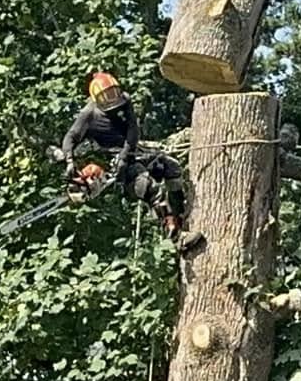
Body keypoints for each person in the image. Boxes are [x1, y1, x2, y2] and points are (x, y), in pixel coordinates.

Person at [56, 71, 199, 250]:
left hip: (130, 152)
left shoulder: (125, 101)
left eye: (114, 93)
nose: (112, 99)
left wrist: (125, 155)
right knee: (147, 186)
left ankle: (180, 215)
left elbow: (133, 131)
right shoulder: (89, 114)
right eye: (106, 96)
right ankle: (177, 239)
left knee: (171, 167)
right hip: (109, 162)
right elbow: (71, 137)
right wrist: (69, 160)